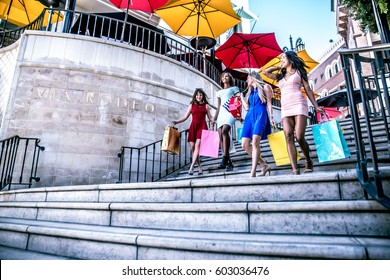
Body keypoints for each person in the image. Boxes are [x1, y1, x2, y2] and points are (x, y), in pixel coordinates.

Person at [262, 51, 324, 175]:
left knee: (299, 136)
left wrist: (316, 106)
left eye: (284, 58)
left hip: (299, 103)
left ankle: (308, 160)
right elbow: (265, 73)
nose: (282, 60)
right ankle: (295, 170)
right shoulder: (279, 76)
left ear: (290, 59)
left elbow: (307, 89)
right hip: (286, 107)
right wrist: (278, 66)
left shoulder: (299, 72)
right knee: (288, 135)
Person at [239, 71, 274, 177]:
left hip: (260, 115)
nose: (246, 80)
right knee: (244, 145)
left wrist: (271, 116)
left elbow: (269, 103)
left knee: (255, 143)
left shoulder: (265, 87)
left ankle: (253, 172)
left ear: (253, 77)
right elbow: (247, 108)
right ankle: (264, 164)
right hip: (249, 117)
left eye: (247, 78)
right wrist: (241, 97)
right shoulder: (249, 92)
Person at [172, 88, 213, 175]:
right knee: (193, 148)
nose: (199, 96)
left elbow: (210, 117)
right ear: (195, 96)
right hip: (193, 127)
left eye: (200, 95)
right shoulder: (191, 105)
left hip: (202, 127)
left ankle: (191, 168)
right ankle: (199, 167)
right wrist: (177, 121)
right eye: (197, 95)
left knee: (197, 147)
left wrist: (214, 120)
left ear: (203, 96)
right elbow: (185, 116)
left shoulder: (206, 106)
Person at [212, 72, 240, 171]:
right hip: (221, 114)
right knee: (220, 137)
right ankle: (229, 162)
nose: (224, 77)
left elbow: (238, 100)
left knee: (225, 131)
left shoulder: (234, 88)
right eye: (223, 76)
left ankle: (224, 159)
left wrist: (238, 113)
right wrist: (214, 118)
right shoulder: (219, 92)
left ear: (230, 78)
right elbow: (218, 106)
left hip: (230, 111)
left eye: (227, 76)